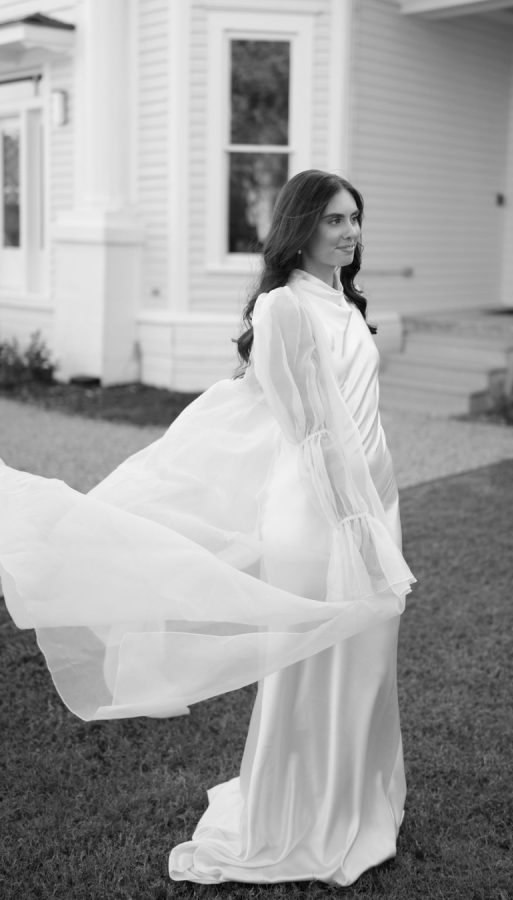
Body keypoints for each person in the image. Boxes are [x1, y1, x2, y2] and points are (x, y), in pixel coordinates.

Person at [0, 169, 415, 886]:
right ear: (300, 227)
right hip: (322, 515)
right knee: (312, 669)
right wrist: (355, 528)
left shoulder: (345, 302)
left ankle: (356, 800)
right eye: (334, 219)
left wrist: (376, 514)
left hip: (374, 503)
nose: (350, 232)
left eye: (355, 218)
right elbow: (312, 434)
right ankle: (298, 818)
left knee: (367, 666)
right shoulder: (286, 307)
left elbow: (359, 413)